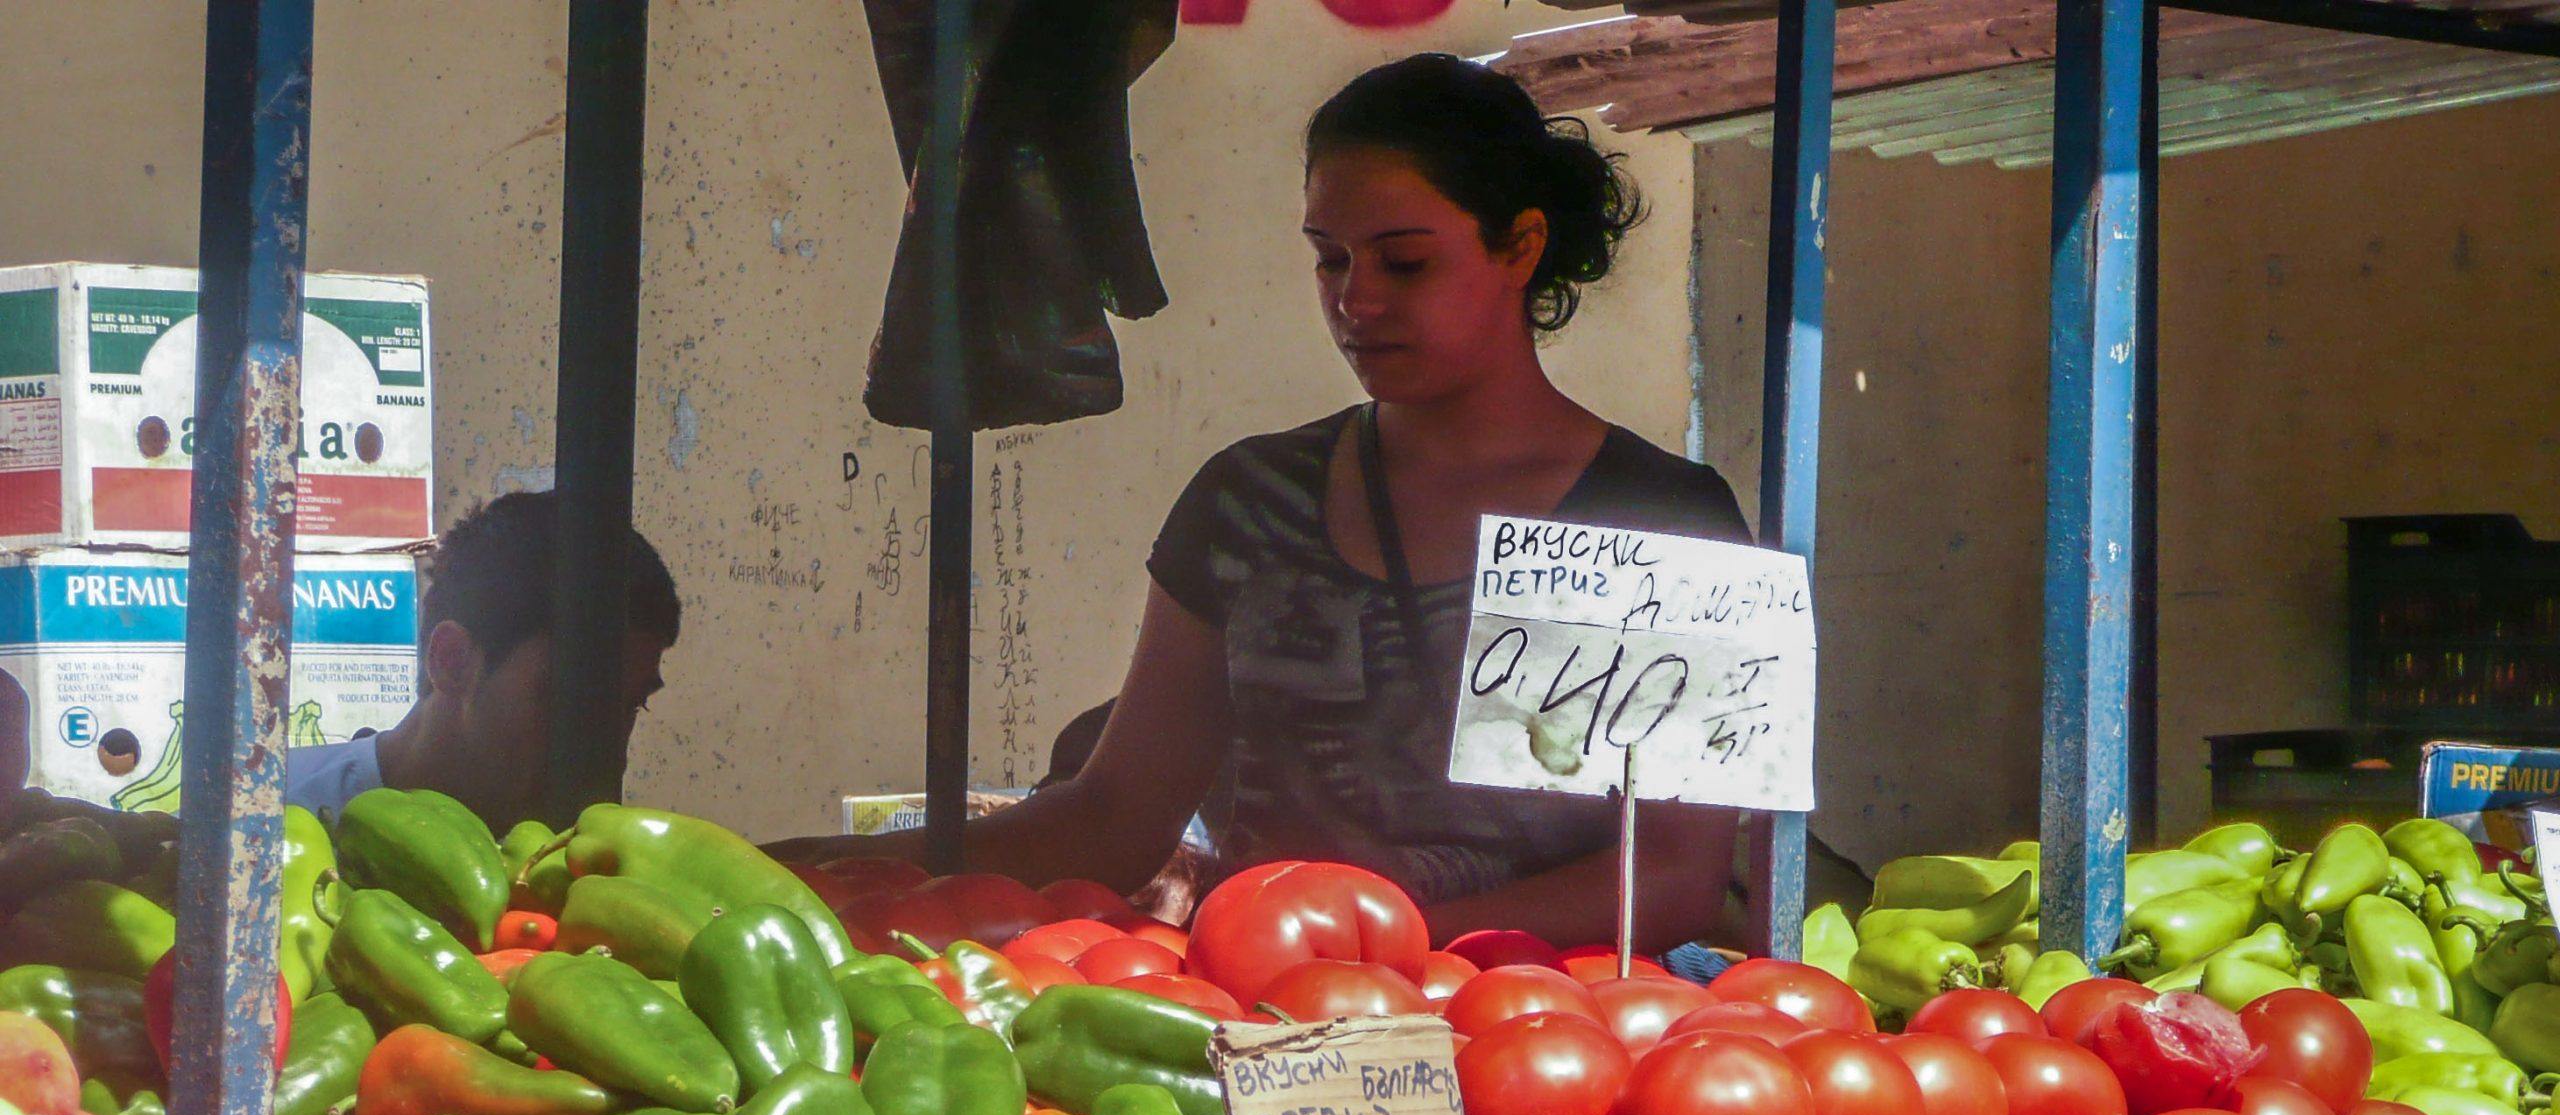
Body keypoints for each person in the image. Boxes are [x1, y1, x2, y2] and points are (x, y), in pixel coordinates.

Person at [774, 54, 1752, 948]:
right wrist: (839, 868)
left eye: (1404, 261)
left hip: (1554, 1050)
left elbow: (1671, 875)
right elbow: (1115, 811)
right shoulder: (1248, 502)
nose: (1355, 300)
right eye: (1330, 258)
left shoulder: (1662, 521)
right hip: (1273, 1039)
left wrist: (1376, 949)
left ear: (1520, 246)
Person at [286, 490, 683, 827]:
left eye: (633, 705)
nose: (609, 757)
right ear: (453, 661)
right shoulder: (263, 830)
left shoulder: (599, 878)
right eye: (571, 705)